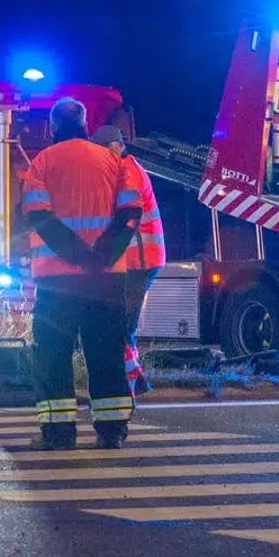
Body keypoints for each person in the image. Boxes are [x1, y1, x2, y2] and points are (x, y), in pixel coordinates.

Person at [22, 99, 143, 449]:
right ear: (86, 124)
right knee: (106, 352)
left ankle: (58, 433)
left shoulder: (43, 162)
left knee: (54, 354)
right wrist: (102, 255)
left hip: (58, 279)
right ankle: (112, 430)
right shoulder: (113, 160)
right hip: (105, 277)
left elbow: (37, 214)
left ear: (52, 126)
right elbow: (131, 212)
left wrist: (75, 253)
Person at [91, 125, 164, 395]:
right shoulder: (123, 171)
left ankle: (129, 384)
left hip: (140, 260)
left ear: (118, 147)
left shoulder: (128, 171)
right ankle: (136, 378)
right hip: (136, 260)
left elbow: (126, 217)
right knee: (123, 322)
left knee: (122, 323)